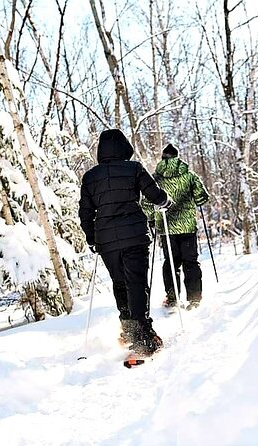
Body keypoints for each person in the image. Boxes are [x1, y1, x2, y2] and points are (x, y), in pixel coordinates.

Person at [79, 129, 172, 356]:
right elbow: (155, 195)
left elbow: (85, 214)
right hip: (134, 237)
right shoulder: (134, 169)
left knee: (120, 283)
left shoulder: (90, 177)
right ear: (124, 147)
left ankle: (129, 329)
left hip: (106, 241)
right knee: (137, 283)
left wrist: (92, 239)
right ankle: (142, 335)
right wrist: (165, 201)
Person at [144, 143, 209, 310]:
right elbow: (202, 198)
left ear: (163, 158)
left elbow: (146, 203)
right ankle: (194, 299)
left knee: (171, 262)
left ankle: (172, 298)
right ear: (177, 157)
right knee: (190, 261)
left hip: (166, 227)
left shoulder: (155, 178)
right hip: (187, 226)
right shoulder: (189, 175)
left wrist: (151, 219)